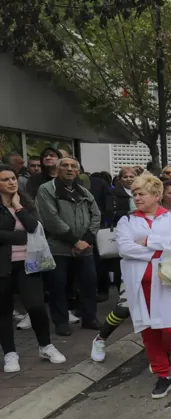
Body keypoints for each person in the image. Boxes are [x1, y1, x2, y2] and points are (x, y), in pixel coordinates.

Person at [116, 174, 171, 399]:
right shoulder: (127, 221)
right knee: (150, 331)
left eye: (141, 194)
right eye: (134, 194)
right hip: (141, 284)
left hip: (170, 280)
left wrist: (148, 242)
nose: (136, 198)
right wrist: (159, 251)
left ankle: (165, 353)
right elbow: (125, 248)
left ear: (157, 196)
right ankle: (163, 375)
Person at [0, 166, 66, 372]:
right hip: (3, 266)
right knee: (3, 311)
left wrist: (18, 207)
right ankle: (10, 354)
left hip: (29, 265)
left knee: (36, 307)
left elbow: (33, 227)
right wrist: (18, 237)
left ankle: (45, 346)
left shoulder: (26, 202)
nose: (11, 182)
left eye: (13, 178)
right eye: (5, 179)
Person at [35, 156, 101, 335]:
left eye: (73, 166)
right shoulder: (46, 189)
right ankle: (61, 322)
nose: (69, 169)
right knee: (58, 286)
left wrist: (86, 240)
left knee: (89, 282)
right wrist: (74, 241)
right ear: (57, 169)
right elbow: (50, 218)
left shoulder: (84, 192)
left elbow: (96, 215)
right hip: (58, 247)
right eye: (65, 165)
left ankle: (89, 318)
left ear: (78, 171)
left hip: (85, 247)